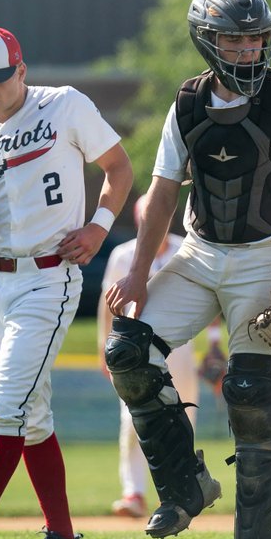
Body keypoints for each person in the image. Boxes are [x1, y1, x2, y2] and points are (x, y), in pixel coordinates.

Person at [104, 0, 271, 539]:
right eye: (233, 40)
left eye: (256, 38)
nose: (248, 50)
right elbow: (159, 196)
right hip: (199, 257)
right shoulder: (186, 104)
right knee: (128, 354)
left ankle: (256, 538)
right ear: (207, 42)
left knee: (251, 390)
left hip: (266, 261)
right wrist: (135, 273)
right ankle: (185, 487)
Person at [0, 26, 133, 539]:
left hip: (49, 276)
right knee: (31, 413)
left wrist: (99, 227)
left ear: (21, 70)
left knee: (5, 406)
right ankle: (61, 534)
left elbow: (118, 168)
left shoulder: (63, 106)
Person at [99, 197, 202, 519]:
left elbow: (207, 299)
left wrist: (214, 344)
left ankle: (183, 488)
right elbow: (108, 304)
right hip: (135, 348)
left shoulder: (186, 248)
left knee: (184, 417)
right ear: (139, 219)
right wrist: (105, 347)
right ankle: (134, 493)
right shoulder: (123, 255)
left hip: (180, 346)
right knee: (132, 420)